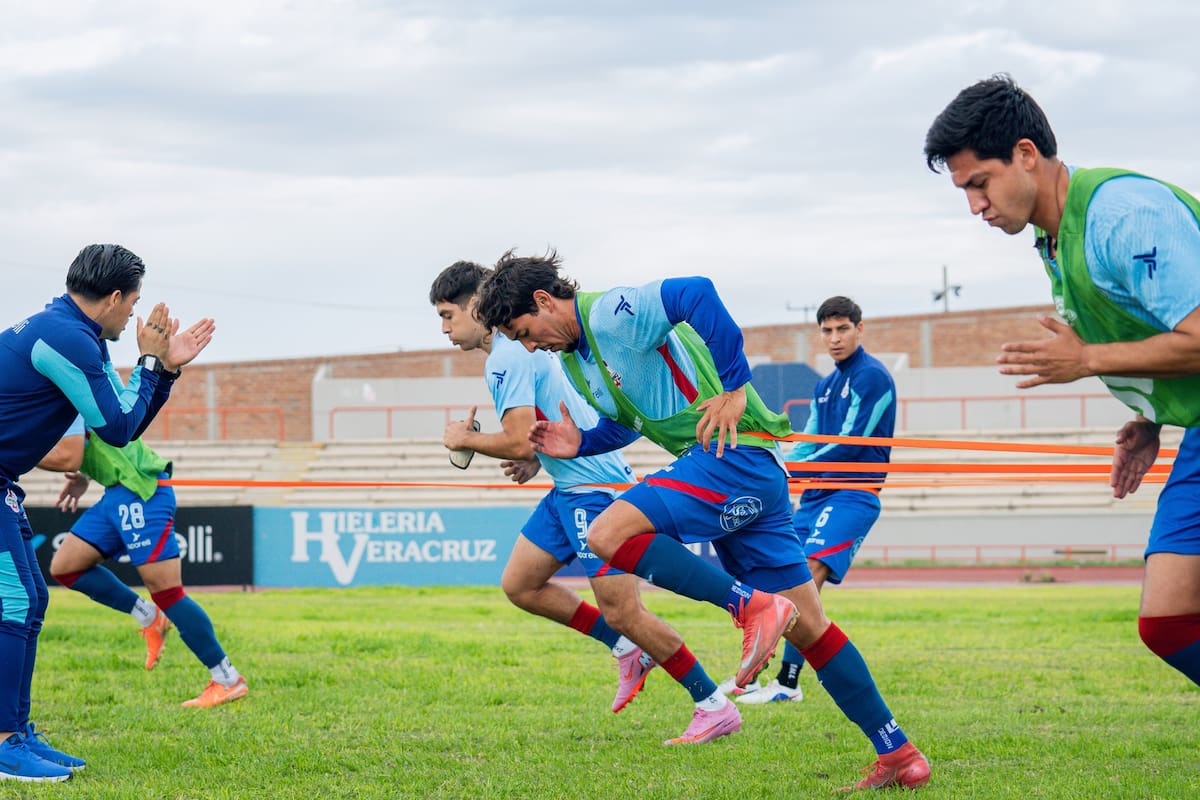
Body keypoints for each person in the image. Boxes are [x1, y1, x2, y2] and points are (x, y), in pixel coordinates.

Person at [474, 252, 930, 791]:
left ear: (545, 301)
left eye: (524, 331)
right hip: (739, 468)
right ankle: (898, 751)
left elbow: (697, 291)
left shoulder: (610, 314)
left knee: (606, 535)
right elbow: (636, 421)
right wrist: (584, 441)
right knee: (810, 629)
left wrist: (735, 387)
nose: (529, 346)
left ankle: (750, 607)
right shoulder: (578, 360)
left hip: (733, 457)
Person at [925, 74, 1200, 686]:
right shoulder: (1054, 239)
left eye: (979, 183)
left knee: (1173, 618)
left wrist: (1089, 361)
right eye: (964, 191)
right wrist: (1152, 416)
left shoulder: (1122, 216)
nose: (975, 206)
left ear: (1026, 155)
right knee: (1169, 621)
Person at [431, 261, 741, 744]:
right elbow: (535, 432)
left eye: (449, 315)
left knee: (624, 611)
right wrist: (534, 458)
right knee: (521, 584)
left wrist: (463, 440)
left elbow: (515, 442)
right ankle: (625, 650)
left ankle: (711, 703)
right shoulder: (521, 350)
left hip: (593, 490)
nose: (445, 329)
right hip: (567, 486)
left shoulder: (507, 355)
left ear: (477, 306)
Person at [0, 243, 213, 782]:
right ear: (114, 298)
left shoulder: (66, 329)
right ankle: (4, 743)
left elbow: (120, 420)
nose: (134, 316)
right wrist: (151, 362)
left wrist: (162, 369)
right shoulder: (69, 337)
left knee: (33, 596)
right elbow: (117, 428)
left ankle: (15, 732)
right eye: (133, 303)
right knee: (18, 598)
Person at [735, 296, 897, 705]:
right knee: (778, 580)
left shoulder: (872, 377)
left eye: (843, 329)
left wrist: (788, 469)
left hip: (853, 493)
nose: (835, 338)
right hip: (815, 494)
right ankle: (758, 678)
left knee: (807, 575)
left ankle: (787, 682)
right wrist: (776, 457)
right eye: (827, 330)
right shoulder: (826, 384)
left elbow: (847, 444)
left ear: (860, 329)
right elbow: (810, 441)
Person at [38, 416, 247, 707]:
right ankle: (149, 616)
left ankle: (227, 679)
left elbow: (70, 457)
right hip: (116, 492)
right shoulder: (57, 390)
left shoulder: (60, 388)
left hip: (140, 489)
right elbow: (91, 443)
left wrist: (17, 452)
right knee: (65, 567)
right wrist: (84, 477)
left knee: (167, 592)